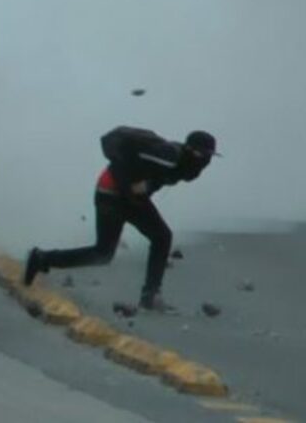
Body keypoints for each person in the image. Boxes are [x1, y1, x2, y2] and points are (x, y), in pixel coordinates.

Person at [23, 128, 218, 311]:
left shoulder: (186, 167)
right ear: (189, 149)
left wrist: (145, 187)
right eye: (203, 154)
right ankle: (42, 258)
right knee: (104, 252)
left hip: (131, 199)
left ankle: (150, 295)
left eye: (210, 156)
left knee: (160, 237)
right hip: (110, 193)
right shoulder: (170, 156)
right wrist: (130, 186)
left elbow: (153, 177)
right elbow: (125, 158)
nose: (207, 160)